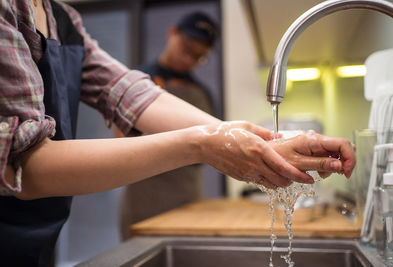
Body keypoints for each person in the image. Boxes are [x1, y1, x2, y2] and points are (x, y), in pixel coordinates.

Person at [0, 1, 356, 266]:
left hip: (40, 242)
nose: (191, 59)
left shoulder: (65, 20)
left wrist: (270, 145)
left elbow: (128, 93)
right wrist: (202, 144)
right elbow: (24, 166)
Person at [118, 11, 219, 240]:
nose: (188, 59)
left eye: (198, 56)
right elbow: (121, 140)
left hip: (188, 199)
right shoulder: (138, 80)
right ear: (172, 33)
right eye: (187, 47)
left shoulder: (203, 93)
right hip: (145, 200)